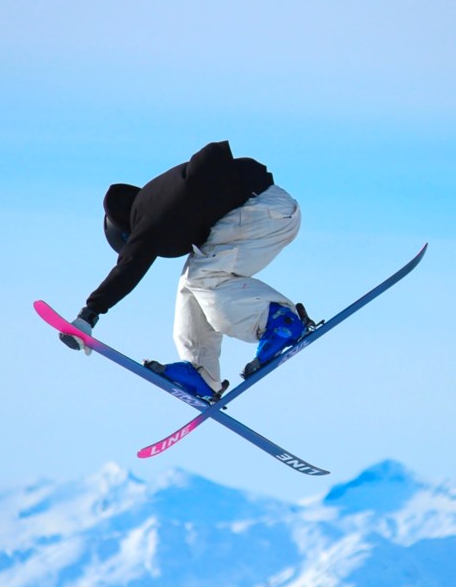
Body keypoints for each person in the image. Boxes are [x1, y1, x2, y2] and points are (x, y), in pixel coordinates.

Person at [59, 140, 307, 400]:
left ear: (126, 236)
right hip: (268, 210)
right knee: (193, 280)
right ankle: (201, 373)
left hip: (261, 210)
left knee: (203, 277)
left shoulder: (148, 219)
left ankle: (280, 322)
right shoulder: (154, 202)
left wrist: (89, 314)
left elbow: (129, 268)